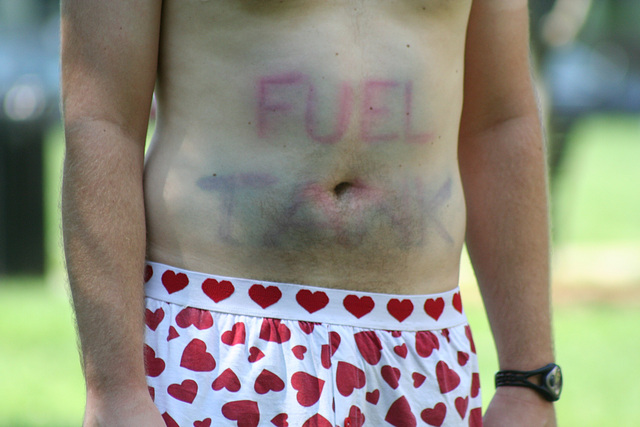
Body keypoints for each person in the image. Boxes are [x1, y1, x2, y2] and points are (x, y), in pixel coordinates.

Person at [60, 0, 558, 426]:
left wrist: (529, 379)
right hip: (216, 340)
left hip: (423, 352)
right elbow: (102, 122)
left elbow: (500, 121)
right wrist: (115, 388)